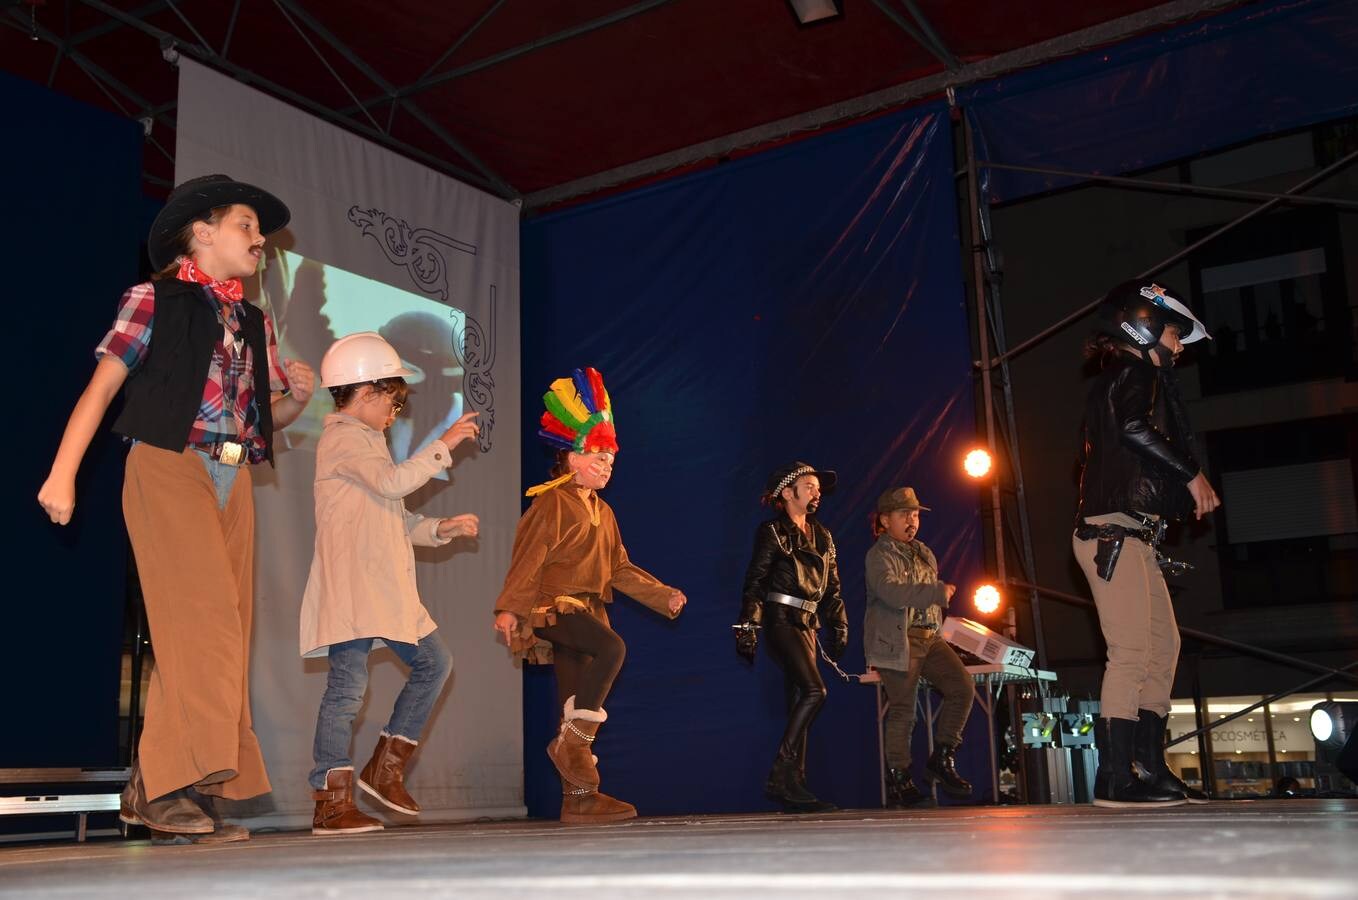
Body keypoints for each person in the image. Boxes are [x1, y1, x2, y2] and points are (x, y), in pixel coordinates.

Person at [37, 174, 315, 842]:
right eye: (247, 225)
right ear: (202, 230)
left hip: (233, 477)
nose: (260, 240)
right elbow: (104, 387)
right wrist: (62, 474)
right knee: (208, 628)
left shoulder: (254, 321)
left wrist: (298, 401)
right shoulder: (153, 297)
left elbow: (256, 418)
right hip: (167, 465)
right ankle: (166, 785)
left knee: (222, 632)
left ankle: (163, 787)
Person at [300, 332, 480, 836]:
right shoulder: (342, 437)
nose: (394, 413)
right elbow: (392, 484)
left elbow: (393, 515)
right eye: (393, 401)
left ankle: (385, 767)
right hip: (357, 590)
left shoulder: (368, 443)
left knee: (434, 663)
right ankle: (330, 801)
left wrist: (440, 529)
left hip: (383, 591)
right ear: (368, 390)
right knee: (347, 691)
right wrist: (442, 446)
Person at [492, 368, 686, 824]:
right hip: (554, 607)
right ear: (572, 457)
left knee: (573, 700)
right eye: (598, 455)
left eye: (611, 458)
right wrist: (509, 609)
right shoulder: (551, 504)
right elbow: (527, 560)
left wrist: (662, 595)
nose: (607, 464)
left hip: (589, 610)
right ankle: (575, 743)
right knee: (612, 648)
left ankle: (579, 798)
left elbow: (618, 568)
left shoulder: (605, 510)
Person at [1073, 280, 1220, 808]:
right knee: (1133, 651)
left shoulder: (1130, 376)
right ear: (1147, 325)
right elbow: (1134, 427)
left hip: (1131, 533)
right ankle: (1114, 776)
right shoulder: (1132, 372)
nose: (1180, 347)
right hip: (1111, 531)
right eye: (1177, 333)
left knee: (1165, 647)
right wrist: (1191, 475)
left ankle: (1148, 768)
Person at [735, 462, 848, 813]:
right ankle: (781, 773)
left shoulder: (824, 536)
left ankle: (794, 784)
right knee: (816, 691)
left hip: (808, 623)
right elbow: (755, 581)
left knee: (802, 695)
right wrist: (749, 626)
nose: (817, 492)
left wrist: (839, 623)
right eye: (809, 485)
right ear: (787, 492)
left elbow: (832, 587)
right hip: (780, 619)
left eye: (817, 487)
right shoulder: (772, 531)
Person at [863, 487, 974, 807]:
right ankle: (899, 776)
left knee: (962, 687)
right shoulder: (879, 555)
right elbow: (891, 592)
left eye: (915, 515)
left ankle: (942, 755)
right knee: (904, 710)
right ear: (885, 520)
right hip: (898, 639)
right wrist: (935, 593)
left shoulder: (924, 551)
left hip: (930, 637)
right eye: (904, 515)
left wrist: (937, 613)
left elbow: (928, 603)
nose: (912, 521)